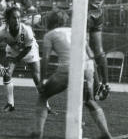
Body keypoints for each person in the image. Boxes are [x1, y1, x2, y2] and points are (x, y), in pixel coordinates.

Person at [31, 10, 112, 139]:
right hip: (87, 68)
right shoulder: (76, 31)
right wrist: (97, 80)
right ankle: (105, 133)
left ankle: (37, 132)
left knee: (43, 96)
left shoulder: (50, 35)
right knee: (90, 101)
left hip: (67, 68)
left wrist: (41, 81)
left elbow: (45, 59)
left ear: (51, 22)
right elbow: (91, 55)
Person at [0, 7, 49, 112]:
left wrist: (17, 59)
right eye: (14, 18)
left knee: (37, 77)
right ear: (8, 19)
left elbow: (28, 47)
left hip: (29, 50)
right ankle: (10, 104)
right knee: (7, 74)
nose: (17, 20)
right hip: (13, 51)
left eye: (18, 18)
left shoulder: (26, 30)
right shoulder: (1, 31)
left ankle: (46, 105)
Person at [88, 0, 122, 100]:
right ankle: (106, 83)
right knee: (99, 51)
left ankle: (96, 84)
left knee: (86, 51)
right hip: (98, 12)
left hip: (87, 12)